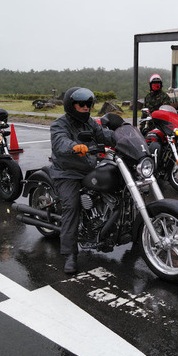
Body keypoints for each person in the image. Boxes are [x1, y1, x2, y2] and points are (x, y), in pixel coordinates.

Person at [50, 87, 116, 274]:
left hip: (88, 168)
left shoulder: (90, 123)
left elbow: (104, 135)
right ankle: (70, 254)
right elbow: (59, 141)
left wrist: (124, 135)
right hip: (67, 172)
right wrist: (75, 146)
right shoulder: (59, 124)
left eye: (89, 104)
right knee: (71, 206)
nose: (86, 107)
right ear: (71, 105)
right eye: (81, 104)